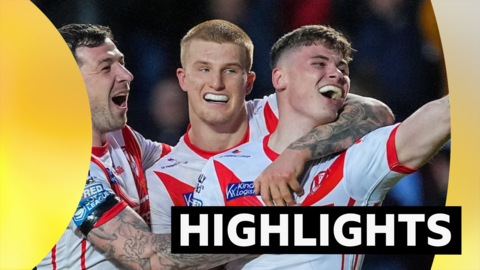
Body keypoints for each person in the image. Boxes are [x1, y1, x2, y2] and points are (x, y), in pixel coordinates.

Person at [193, 25, 450, 270]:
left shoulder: (355, 158)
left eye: (342, 68)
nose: (337, 74)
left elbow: (440, 116)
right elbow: (189, 258)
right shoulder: (223, 167)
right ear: (280, 77)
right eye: (319, 63)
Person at [145, 19, 394, 234]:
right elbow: (173, 261)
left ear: (249, 82)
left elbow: (376, 113)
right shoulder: (165, 178)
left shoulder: (278, 109)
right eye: (204, 69)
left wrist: (297, 152)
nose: (216, 83)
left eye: (230, 71)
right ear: (183, 78)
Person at [36, 23, 247, 270]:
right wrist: (279, 231)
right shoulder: (56, 166)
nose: (126, 75)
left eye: (121, 62)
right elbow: (148, 256)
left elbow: (191, 165)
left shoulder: (122, 138)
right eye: (106, 68)